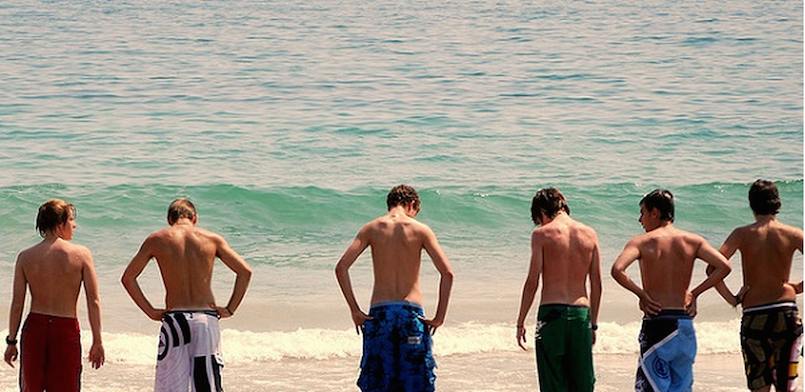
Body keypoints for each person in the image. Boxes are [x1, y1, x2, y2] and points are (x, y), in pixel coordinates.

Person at [121, 198, 252, 392]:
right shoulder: (212, 239)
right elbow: (245, 272)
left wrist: (150, 311)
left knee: (172, 388)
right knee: (207, 386)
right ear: (195, 218)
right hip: (205, 320)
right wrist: (230, 309)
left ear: (169, 219)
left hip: (175, 321)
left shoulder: (157, 240)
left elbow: (128, 278)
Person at [335, 185, 454, 392]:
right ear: (412, 205)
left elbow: (341, 268)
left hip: (380, 316)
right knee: (416, 382)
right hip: (411, 315)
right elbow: (447, 273)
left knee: (378, 381)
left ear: (390, 204)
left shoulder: (371, 228)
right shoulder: (421, 230)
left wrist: (355, 310)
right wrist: (439, 317)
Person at [611, 189, 732, 392]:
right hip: (684, 324)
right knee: (681, 388)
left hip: (658, 324)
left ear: (655, 212)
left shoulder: (641, 242)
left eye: (642, 213)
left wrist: (641, 294)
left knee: (653, 387)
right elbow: (724, 267)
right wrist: (695, 293)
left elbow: (617, 270)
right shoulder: (693, 241)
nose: (640, 220)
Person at [709, 179, 803, 392]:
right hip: (786, 312)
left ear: (752, 204)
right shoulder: (793, 233)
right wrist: (797, 287)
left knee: (759, 385)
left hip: (754, 314)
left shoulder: (741, 234)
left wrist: (732, 298)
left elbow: (712, 268)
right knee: (787, 386)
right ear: (777, 203)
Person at [4, 199, 105, 391]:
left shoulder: (25, 257)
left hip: (34, 328)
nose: (74, 225)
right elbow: (93, 301)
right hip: (65, 330)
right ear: (60, 224)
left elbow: (17, 304)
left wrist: (11, 341)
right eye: (71, 220)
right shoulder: (81, 254)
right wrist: (97, 341)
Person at [516, 187, 603, 392]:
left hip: (551, 316)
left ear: (542, 212)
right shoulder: (590, 234)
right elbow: (597, 284)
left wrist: (520, 322)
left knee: (552, 383)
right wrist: (594, 324)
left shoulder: (541, 235)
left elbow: (532, 282)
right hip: (581, 315)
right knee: (583, 384)